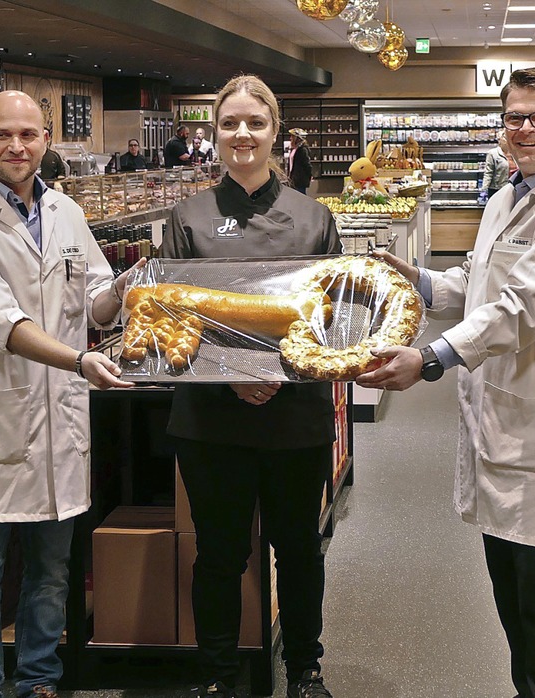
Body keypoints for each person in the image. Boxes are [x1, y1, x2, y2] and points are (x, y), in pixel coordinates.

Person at [356, 67, 535, 698]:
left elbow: (524, 306)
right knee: (514, 610)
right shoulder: (504, 199)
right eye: (514, 116)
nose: (526, 128)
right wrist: (417, 279)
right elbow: (482, 284)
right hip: (500, 438)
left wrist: (430, 358)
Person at [0, 90, 142, 698]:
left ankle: (40, 679)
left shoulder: (66, 212)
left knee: (52, 571)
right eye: (3, 135)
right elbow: (2, 324)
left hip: (59, 422)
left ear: (46, 139)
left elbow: (95, 296)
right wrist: (82, 359)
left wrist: (136, 288)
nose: (17, 146)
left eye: (29, 135)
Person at [162, 74, 340, 698]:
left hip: (296, 414)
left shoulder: (315, 218)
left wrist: (273, 378)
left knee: (299, 551)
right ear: (215, 133)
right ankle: (215, 674)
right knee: (219, 555)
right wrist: (236, 378)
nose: (242, 134)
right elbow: (172, 317)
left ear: (275, 133)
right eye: (229, 123)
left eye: (254, 124)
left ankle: (306, 670)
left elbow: (331, 321)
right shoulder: (185, 218)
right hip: (214, 418)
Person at [482, 132, 511, 200]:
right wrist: (484, 189)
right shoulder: (493, 153)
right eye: (504, 137)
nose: (506, 139)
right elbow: (488, 173)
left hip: (513, 188)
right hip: (497, 189)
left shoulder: (515, 152)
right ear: (499, 140)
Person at [287, 128, 312, 195]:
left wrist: (309, 176)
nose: (290, 138)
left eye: (292, 136)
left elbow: (307, 165)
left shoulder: (302, 149)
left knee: (300, 197)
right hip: (294, 179)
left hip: (299, 180)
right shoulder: (295, 148)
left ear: (297, 138)